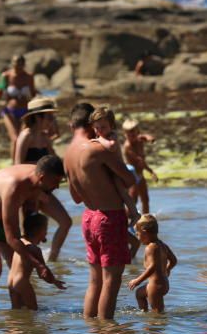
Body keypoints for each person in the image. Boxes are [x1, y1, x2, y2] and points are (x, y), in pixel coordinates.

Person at [64, 104, 139, 319]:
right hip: (109, 217)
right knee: (112, 280)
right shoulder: (99, 150)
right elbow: (129, 179)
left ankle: (92, 332)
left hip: (88, 217)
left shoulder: (69, 153)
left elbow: (76, 197)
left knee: (95, 280)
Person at [0, 156, 65, 310]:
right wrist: (40, 266)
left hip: (3, 214)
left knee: (17, 266)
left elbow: (28, 213)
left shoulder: (38, 182)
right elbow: (12, 238)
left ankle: (19, 316)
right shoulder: (14, 186)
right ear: (42, 177)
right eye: (56, 181)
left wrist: (37, 236)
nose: (57, 186)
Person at [15, 97, 72, 262]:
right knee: (28, 234)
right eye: (49, 117)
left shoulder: (45, 137)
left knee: (65, 222)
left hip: (44, 189)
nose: (52, 120)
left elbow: (54, 162)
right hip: (27, 192)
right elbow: (17, 166)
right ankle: (26, 265)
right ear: (37, 117)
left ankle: (52, 259)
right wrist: (34, 195)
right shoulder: (25, 136)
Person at [90, 106, 142, 259]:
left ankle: (134, 213)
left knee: (123, 193)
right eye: (97, 128)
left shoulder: (112, 137)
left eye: (103, 127)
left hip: (119, 171)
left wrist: (97, 140)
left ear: (111, 126)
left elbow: (111, 146)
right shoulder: (103, 136)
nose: (100, 131)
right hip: (112, 172)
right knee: (123, 195)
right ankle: (133, 215)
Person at [8, 213, 66, 310]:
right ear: (39, 231)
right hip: (22, 282)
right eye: (46, 230)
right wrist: (54, 281)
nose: (46, 233)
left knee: (16, 310)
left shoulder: (20, 244)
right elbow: (43, 273)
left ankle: (15, 325)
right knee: (33, 310)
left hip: (10, 281)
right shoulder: (35, 249)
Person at [128, 214, 178, 313]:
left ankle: (154, 326)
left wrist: (138, 280)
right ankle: (144, 313)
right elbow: (174, 260)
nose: (137, 237)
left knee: (157, 314)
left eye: (137, 234)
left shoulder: (150, 247)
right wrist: (167, 269)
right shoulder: (162, 245)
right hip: (163, 283)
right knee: (139, 294)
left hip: (155, 286)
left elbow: (152, 267)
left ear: (144, 232)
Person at [0, 55, 36, 160]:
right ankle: (13, 164)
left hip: (25, 111)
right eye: (15, 63)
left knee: (23, 137)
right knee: (15, 138)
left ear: (23, 64)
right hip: (9, 111)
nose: (17, 65)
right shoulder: (5, 76)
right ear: (12, 63)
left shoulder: (29, 77)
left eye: (20, 63)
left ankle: (21, 161)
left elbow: (33, 93)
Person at [122, 119, 158, 215]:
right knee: (133, 202)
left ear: (138, 132)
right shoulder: (127, 147)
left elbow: (146, 136)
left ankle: (146, 219)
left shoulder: (139, 139)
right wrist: (151, 172)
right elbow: (140, 161)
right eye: (128, 134)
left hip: (140, 175)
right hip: (132, 177)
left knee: (145, 199)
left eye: (133, 133)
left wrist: (150, 139)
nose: (131, 136)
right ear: (125, 134)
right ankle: (124, 219)